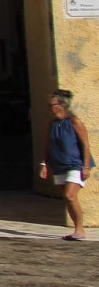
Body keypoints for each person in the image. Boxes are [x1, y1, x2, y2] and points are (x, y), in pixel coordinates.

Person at [40, 89, 94, 240]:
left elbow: (85, 145)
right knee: (67, 198)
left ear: (61, 105)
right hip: (59, 164)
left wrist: (86, 166)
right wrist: (44, 163)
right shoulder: (52, 123)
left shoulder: (75, 122)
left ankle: (80, 229)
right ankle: (76, 229)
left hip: (76, 164)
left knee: (70, 196)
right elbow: (47, 144)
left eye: (52, 105)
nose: (49, 108)